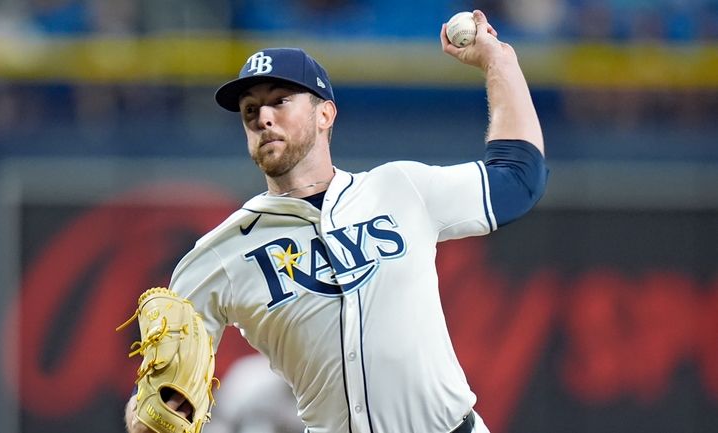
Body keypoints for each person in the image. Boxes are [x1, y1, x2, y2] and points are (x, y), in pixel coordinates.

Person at [125, 9, 547, 433]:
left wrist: (499, 61)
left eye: (279, 101)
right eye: (250, 109)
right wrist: (152, 415)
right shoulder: (220, 255)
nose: (262, 117)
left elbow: (519, 179)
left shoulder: (401, 189)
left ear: (325, 114)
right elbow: (153, 405)